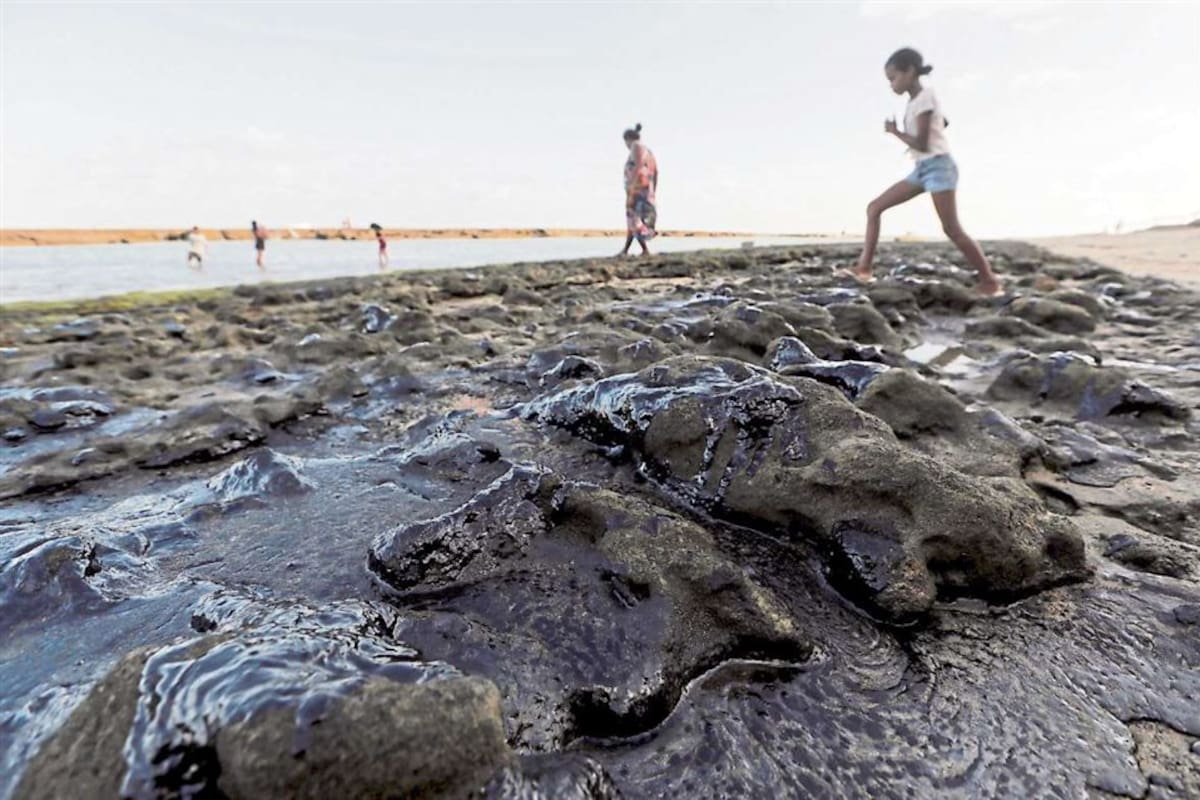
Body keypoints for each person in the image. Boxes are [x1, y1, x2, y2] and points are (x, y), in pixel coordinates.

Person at [853, 48, 1000, 295]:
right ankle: (864, 269)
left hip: (938, 166)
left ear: (909, 71)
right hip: (922, 169)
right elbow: (943, 122)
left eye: (893, 78)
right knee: (874, 208)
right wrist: (935, 124)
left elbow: (922, 143)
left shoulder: (925, 97)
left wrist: (894, 131)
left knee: (951, 229)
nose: (891, 85)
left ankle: (989, 281)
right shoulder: (916, 102)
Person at [619, 123, 658, 257]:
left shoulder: (637, 146)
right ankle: (628, 249)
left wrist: (632, 188)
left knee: (634, 220)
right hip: (644, 190)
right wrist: (653, 191)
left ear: (628, 139)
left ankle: (641, 249)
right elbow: (656, 172)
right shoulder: (649, 152)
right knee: (634, 220)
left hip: (637, 190)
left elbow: (638, 166)